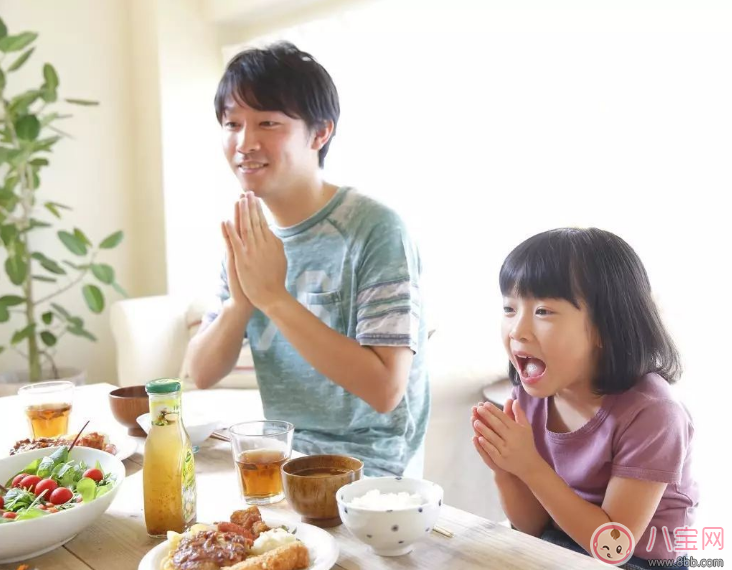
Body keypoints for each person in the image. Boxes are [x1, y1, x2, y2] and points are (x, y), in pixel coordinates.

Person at [186, 42, 430, 477]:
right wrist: (241, 304)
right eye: (232, 123)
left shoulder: (374, 228)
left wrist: (274, 298)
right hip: (283, 455)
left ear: (320, 133)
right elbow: (200, 373)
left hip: (370, 468)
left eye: (268, 123)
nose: (245, 142)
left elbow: (386, 390)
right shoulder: (251, 233)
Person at [471, 228, 698, 569]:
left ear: (605, 328)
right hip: (564, 539)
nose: (517, 330)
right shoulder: (531, 394)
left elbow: (614, 547)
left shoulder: (653, 413)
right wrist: (506, 470)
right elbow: (531, 527)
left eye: (544, 311)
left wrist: (529, 466)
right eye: (509, 308)